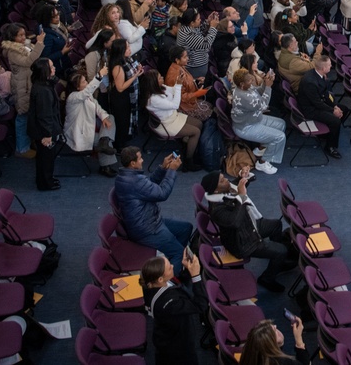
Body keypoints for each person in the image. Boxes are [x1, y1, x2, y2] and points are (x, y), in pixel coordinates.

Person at [202, 170, 294, 292]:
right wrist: (242, 196)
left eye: (224, 177)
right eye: (223, 180)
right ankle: (267, 278)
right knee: (282, 250)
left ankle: (276, 259)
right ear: (215, 190)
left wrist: (243, 176)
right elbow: (235, 222)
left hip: (249, 225)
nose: (227, 180)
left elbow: (234, 186)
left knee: (276, 225)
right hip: (243, 242)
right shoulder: (216, 210)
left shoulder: (223, 191)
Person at [115, 146, 193, 275]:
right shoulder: (134, 181)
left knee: (186, 228)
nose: (143, 160)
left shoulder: (125, 176)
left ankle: (174, 267)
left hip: (149, 220)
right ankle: (168, 281)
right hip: (147, 229)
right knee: (179, 253)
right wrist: (172, 171)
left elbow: (149, 185)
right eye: (140, 158)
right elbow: (162, 193)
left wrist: (163, 168)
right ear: (132, 163)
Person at [140, 252, 207, 365]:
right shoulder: (169, 303)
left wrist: (187, 269)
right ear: (160, 279)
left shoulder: (152, 284)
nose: (172, 266)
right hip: (178, 347)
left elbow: (180, 285)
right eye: (169, 267)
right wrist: (196, 276)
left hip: (166, 335)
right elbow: (201, 305)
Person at [63, 67, 119, 178]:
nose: (87, 83)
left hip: (89, 123)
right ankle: (105, 166)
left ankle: (104, 141)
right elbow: (88, 90)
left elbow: (97, 107)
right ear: (77, 87)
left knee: (110, 117)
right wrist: (99, 76)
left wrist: (103, 117)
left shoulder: (85, 94)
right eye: (84, 82)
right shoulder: (73, 97)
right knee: (102, 139)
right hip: (79, 132)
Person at [143, 69, 203, 171]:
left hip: (173, 117)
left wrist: (177, 83)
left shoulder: (160, 88)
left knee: (199, 124)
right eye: (159, 77)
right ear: (154, 82)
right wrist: (178, 86)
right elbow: (175, 105)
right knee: (196, 132)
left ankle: (187, 145)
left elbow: (173, 90)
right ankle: (188, 162)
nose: (162, 78)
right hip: (167, 125)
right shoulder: (153, 99)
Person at [1, 22, 45, 158]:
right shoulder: (12, 51)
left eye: (23, 34)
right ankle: (21, 148)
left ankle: (29, 141)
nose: (23, 37)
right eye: (20, 35)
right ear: (12, 37)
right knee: (22, 117)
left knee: (29, 115)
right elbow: (29, 61)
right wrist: (39, 44)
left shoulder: (24, 46)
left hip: (28, 84)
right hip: (22, 87)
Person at [230, 69, 285, 174]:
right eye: (249, 81)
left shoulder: (246, 87)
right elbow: (263, 106)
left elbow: (258, 91)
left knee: (281, 124)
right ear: (242, 84)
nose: (251, 82)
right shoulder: (243, 97)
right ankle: (263, 163)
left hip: (254, 119)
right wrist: (268, 86)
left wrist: (265, 83)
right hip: (246, 127)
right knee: (280, 136)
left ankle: (261, 149)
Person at [297, 55, 343, 159]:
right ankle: (330, 146)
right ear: (323, 68)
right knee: (336, 121)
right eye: (329, 65)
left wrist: (335, 106)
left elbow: (327, 93)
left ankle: (330, 134)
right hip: (311, 109)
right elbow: (317, 103)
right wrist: (333, 110)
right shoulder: (310, 82)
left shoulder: (319, 75)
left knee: (344, 109)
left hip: (320, 102)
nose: (331, 67)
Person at [28, 57, 64, 191]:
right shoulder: (43, 90)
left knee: (46, 157)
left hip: (44, 128)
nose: (54, 68)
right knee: (46, 158)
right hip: (44, 131)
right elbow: (44, 116)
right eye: (51, 66)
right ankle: (45, 183)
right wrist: (47, 134)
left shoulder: (44, 83)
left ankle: (46, 179)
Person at [108, 38, 143, 149]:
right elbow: (120, 87)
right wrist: (135, 76)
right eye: (127, 47)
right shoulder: (117, 66)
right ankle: (119, 146)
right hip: (121, 99)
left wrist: (137, 71)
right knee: (122, 123)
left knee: (126, 121)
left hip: (128, 96)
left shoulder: (127, 60)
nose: (129, 49)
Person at [241, 318, 310, 365]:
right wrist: (299, 339)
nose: (276, 326)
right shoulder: (283, 362)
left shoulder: (250, 354)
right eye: (274, 331)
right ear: (270, 344)